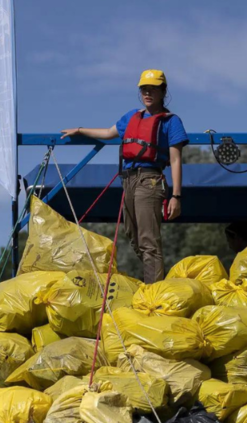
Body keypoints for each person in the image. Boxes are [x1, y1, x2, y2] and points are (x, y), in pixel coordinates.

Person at [61, 69, 188, 283]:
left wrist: (176, 196)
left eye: (153, 89)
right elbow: (108, 133)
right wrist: (80, 130)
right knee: (133, 235)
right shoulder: (131, 116)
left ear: (163, 91)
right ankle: (156, 280)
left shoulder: (171, 121)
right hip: (128, 181)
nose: (147, 94)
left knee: (149, 240)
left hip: (150, 181)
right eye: (144, 90)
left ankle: (153, 292)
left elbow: (175, 160)